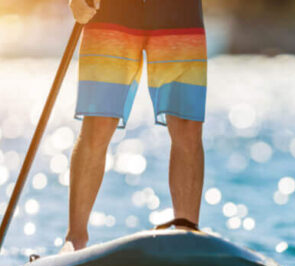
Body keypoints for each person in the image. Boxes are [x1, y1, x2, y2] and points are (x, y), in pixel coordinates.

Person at [63, 0, 207, 252]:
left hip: (179, 10)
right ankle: (74, 240)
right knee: (98, 120)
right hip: (112, 7)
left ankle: (187, 236)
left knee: (187, 124)